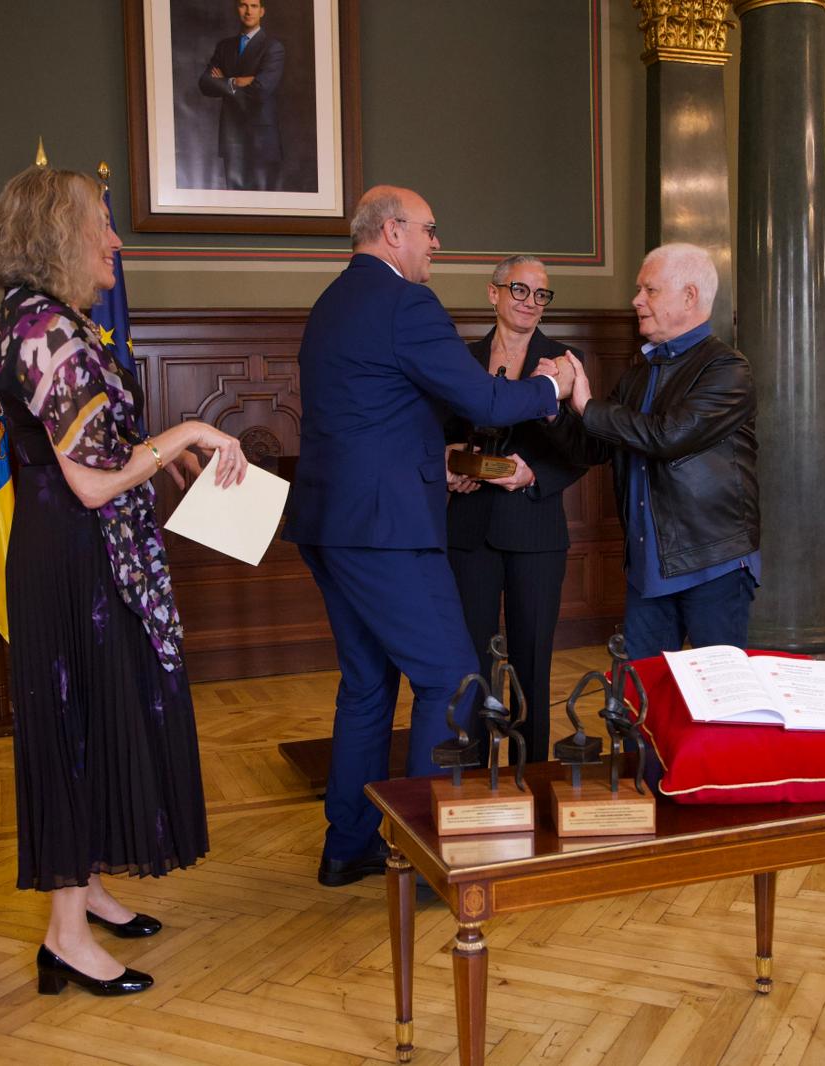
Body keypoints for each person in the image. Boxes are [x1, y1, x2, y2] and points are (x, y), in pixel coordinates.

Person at [0, 166, 247, 996]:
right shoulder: (45, 332)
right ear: (60, 235)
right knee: (74, 727)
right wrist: (189, 431)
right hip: (72, 566)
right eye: (103, 224)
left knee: (100, 719)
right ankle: (63, 937)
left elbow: (101, 458)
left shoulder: (58, 324)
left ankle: (86, 886)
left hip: (95, 557)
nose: (116, 242)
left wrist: (165, 464)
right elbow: (91, 484)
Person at [283, 185, 576, 887]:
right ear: (392, 232)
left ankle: (349, 845)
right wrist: (550, 388)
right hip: (386, 532)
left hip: (330, 523)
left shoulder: (330, 304)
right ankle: (420, 857)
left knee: (365, 687)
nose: (437, 243)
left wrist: (432, 459)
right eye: (430, 230)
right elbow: (481, 398)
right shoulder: (405, 303)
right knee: (451, 679)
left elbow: (368, 417)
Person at [555, 243, 760, 661]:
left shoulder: (727, 369)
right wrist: (551, 404)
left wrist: (588, 406)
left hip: (712, 564)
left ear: (689, 296)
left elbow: (667, 437)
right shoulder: (638, 374)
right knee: (642, 700)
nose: (636, 300)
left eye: (649, 290)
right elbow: (593, 446)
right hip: (651, 568)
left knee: (718, 698)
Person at [445, 256, 589, 762]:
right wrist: (452, 464)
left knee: (532, 660)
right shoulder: (462, 357)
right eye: (519, 290)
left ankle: (532, 773)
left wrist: (534, 474)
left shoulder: (565, 363)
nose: (530, 302)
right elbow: (441, 436)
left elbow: (583, 450)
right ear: (494, 294)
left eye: (540, 294)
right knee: (472, 661)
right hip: (469, 529)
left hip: (535, 529)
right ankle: (474, 767)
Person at [197, 0, 284, 191]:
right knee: (234, 207)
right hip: (232, 138)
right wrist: (235, 81)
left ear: (262, 11)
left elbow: (261, 90)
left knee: (263, 208)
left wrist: (224, 81)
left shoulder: (272, 48)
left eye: (253, 6)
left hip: (262, 139)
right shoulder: (224, 47)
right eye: (243, 5)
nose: (248, 11)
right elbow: (205, 83)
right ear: (237, 9)